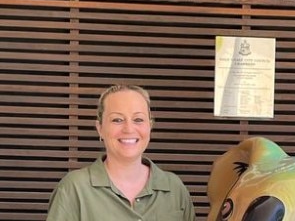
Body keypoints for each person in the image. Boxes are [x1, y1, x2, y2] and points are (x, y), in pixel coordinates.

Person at [46, 84, 196, 221]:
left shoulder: (175, 189)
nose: (129, 129)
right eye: (117, 120)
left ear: (150, 126)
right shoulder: (73, 189)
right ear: (100, 128)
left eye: (138, 119)